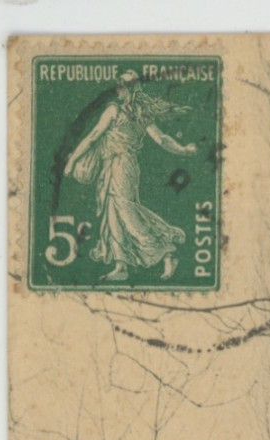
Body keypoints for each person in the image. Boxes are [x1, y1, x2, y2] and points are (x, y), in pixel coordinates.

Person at [63, 71, 197, 282]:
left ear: (132, 88)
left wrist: (183, 151)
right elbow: (93, 137)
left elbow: (160, 139)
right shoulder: (123, 110)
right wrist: (184, 150)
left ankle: (166, 251)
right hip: (111, 165)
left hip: (123, 165)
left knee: (126, 211)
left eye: (123, 85)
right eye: (118, 85)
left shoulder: (124, 112)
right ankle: (121, 265)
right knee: (113, 213)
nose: (119, 89)